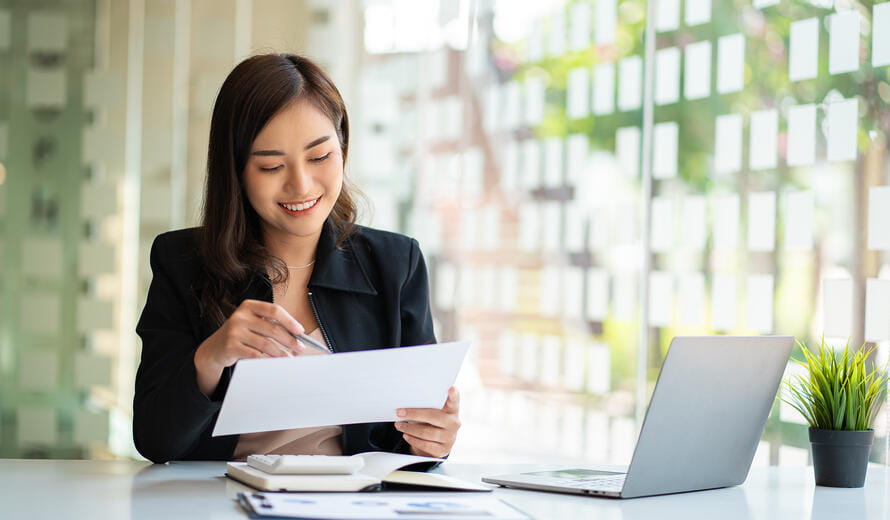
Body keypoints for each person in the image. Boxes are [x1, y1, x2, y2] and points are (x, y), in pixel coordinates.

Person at [133, 54, 460, 464]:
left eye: (320, 156)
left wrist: (432, 440)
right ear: (236, 170)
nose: (300, 185)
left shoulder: (396, 263)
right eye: (271, 165)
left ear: (343, 147)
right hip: (218, 499)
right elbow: (154, 440)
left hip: (350, 503)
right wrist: (212, 356)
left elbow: (408, 442)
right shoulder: (182, 262)